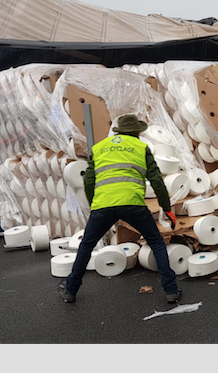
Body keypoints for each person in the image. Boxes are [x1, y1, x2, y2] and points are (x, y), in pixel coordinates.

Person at [57, 114, 182, 304]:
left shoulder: (99, 148)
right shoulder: (141, 147)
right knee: (156, 242)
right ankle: (171, 290)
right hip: (133, 204)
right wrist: (167, 208)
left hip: (103, 205)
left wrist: (95, 205)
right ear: (136, 133)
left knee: (87, 246)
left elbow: (89, 180)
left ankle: (70, 290)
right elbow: (157, 180)